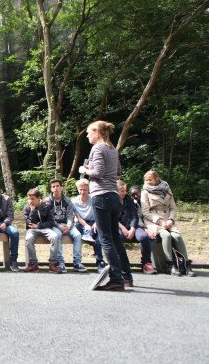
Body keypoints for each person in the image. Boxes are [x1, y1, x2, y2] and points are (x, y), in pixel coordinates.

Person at [79, 121, 132, 291]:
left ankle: (116, 279)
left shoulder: (98, 148)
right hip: (114, 196)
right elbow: (117, 173)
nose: (87, 136)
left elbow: (98, 173)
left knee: (105, 238)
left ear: (96, 132)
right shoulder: (112, 149)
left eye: (89, 133)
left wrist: (85, 170)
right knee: (115, 239)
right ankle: (126, 277)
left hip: (101, 196)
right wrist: (94, 168)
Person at [141, 170, 195, 277]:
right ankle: (171, 264)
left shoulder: (166, 189)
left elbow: (173, 208)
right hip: (153, 221)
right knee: (166, 235)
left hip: (168, 220)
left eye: (150, 180)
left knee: (177, 236)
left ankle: (186, 264)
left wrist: (170, 220)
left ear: (156, 179)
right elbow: (145, 212)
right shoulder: (145, 192)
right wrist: (160, 222)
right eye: (146, 180)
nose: (148, 182)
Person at [45, 179, 86, 273]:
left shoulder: (67, 201)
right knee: (57, 235)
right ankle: (60, 262)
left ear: (61, 187)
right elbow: (49, 218)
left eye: (57, 186)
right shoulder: (47, 201)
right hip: (54, 225)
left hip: (67, 225)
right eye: (53, 187)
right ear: (51, 189)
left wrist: (68, 226)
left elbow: (70, 215)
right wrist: (59, 227)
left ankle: (77, 263)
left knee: (77, 235)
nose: (56, 188)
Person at [117, 179, 156, 274]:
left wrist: (133, 229)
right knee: (117, 237)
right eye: (122, 191)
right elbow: (113, 218)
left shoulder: (129, 200)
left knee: (143, 237)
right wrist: (123, 229)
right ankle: (121, 263)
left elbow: (134, 216)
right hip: (119, 227)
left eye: (125, 191)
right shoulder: (112, 201)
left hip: (132, 226)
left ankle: (146, 263)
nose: (124, 193)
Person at [23, 188, 61, 274]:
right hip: (32, 229)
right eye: (28, 199)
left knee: (54, 236)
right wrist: (32, 211)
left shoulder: (46, 206)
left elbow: (51, 222)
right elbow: (29, 222)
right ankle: (33, 263)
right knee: (28, 238)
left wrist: (39, 225)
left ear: (39, 198)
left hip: (45, 228)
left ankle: (53, 264)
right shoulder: (27, 207)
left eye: (32, 199)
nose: (30, 201)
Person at [72, 179, 106, 273]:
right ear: (78, 189)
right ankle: (88, 235)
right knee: (93, 236)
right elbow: (78, 217)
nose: (83, 192)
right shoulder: (74, 201)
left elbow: (98, 214)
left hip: (94, 222)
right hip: (81, 223)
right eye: (80, 189)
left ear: (89, 190)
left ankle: (100, 263)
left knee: (98, 239)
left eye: (85, 190)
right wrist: (86, 225)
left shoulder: (94, 199)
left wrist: (96, 223)